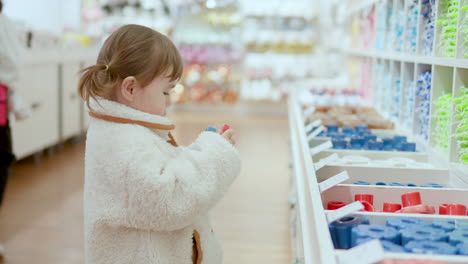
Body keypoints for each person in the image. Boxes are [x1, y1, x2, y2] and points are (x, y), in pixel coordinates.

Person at [78, 24, 241, 264]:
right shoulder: (123, 141)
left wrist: (201, 150)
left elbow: (161, 171)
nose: (170, 101)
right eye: (166, 92)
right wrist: (215, 155)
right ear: (130, 88)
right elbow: (169, 201)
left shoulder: (125, 131)